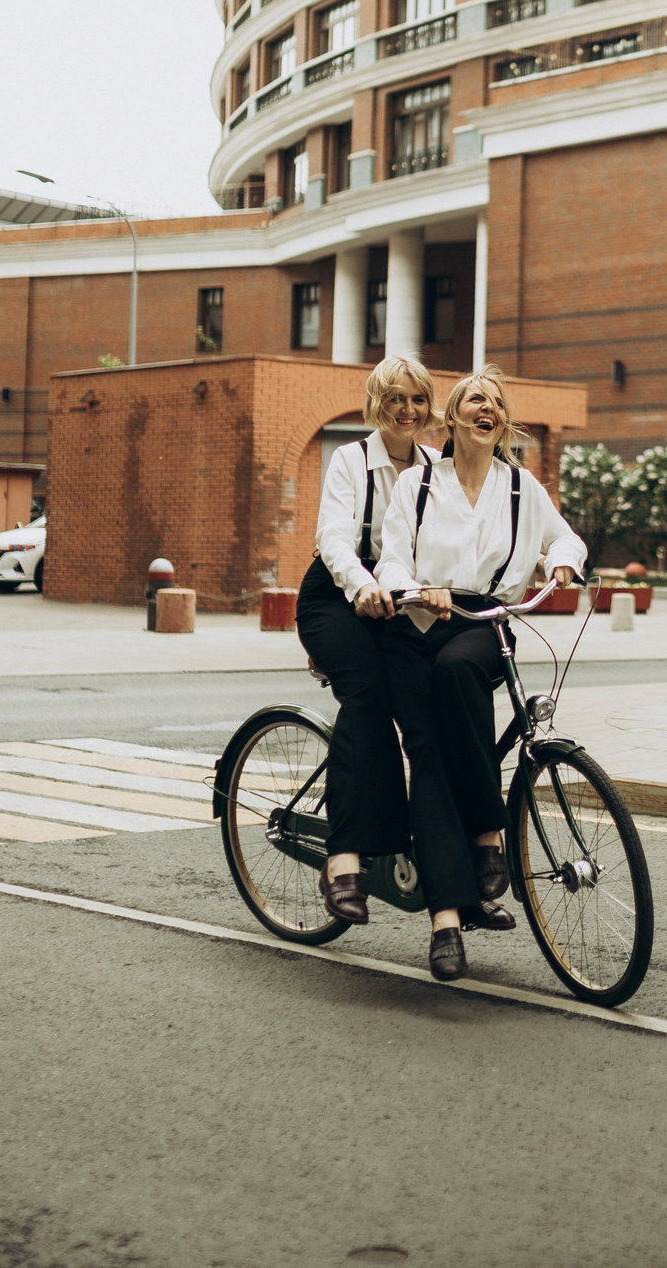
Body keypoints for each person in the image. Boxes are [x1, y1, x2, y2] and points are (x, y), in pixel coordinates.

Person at [375, 366, 585, 981]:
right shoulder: (416, 485)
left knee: (460, 673)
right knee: (430, 759)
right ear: (453, 419)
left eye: (494, 401)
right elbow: (390, 565)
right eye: (472, 399)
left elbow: (565, 539)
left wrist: (563, 564)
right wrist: (418, 589)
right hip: (413, 628)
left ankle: (489, 835)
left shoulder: (522, 488)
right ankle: (445, 921)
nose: (484, 407)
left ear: (503, 421)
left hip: (482, 624)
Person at [310, 357, 437, 930]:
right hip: (337, 597)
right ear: (376, 404)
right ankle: (344, 860)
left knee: (425, 707)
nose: (407, 410)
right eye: (395, 399)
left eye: (417, 399)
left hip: (400, 597)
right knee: (366, 697)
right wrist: (361, 585)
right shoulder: (351, 460)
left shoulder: (437, 465)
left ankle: (434, 858)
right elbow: (333, 538)